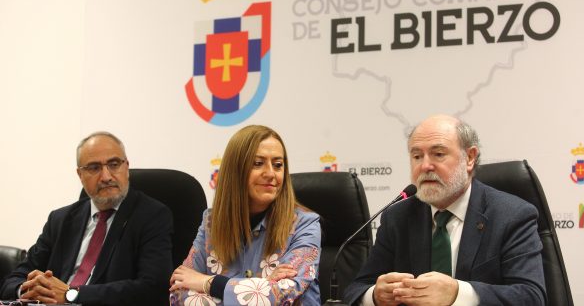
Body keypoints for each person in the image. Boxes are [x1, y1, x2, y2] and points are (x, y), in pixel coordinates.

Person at [344, 114, 546, 306]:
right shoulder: (397, 217)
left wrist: (458, 293)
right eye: (416, 156)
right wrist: (377, 296)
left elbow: (531, 297)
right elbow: (356, 289)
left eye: (438, 154)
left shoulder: (512, 215)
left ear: (469, 158)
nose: (425, 166)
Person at [0, 131, 174, 305]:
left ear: (126, 167)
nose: (106, 176)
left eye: (114, 164)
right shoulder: (60, 219)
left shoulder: (152, 216)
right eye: (94, 168)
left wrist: (72, 294)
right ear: (80, 175)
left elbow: (153, 288)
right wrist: (30, 289)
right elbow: (13, 279)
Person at [170, 125, 321, 305]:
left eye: (278, 165)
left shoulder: (305, 225)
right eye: (258, 163)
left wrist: (208, 283)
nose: (271, 173)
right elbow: (179, 292)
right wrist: (263, 285)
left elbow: (282, 295)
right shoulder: (211, 222)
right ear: (235, 170)